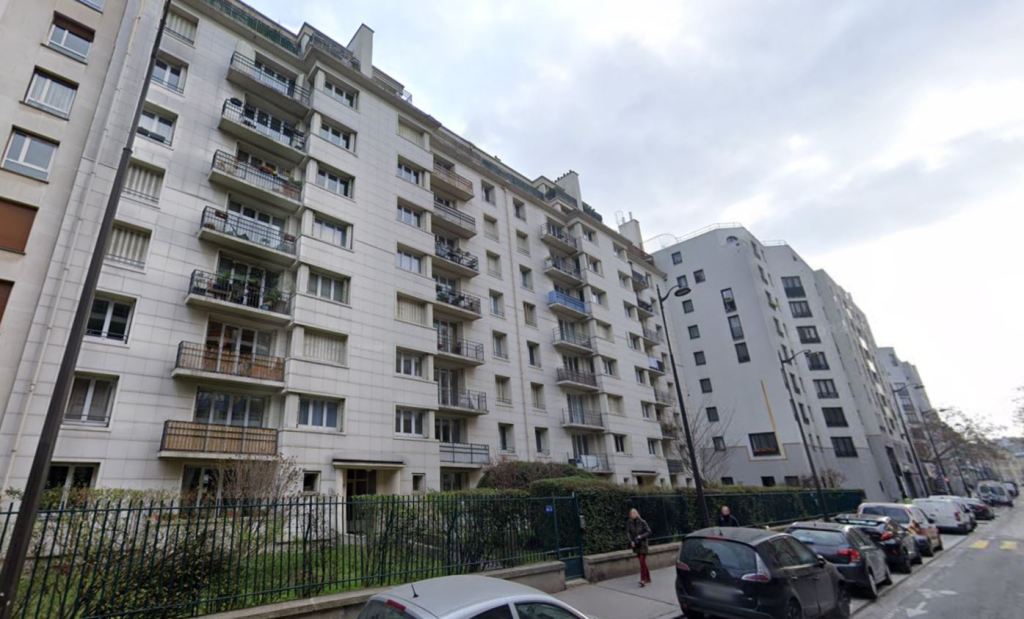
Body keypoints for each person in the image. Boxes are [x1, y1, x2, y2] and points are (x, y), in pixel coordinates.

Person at [627, 508, 652, 587]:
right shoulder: (629, 522)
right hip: (636, 545)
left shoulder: (642, 522)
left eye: (634, 513)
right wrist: (631, 541)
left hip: (643, 545)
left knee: (642, 562)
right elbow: (628, 532)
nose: (632, 515)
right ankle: (648, 578)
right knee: (643, 562)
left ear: (637, 513)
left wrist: (641, 536)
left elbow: (649, 531)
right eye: (631, 513)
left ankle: (643, 580)